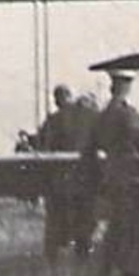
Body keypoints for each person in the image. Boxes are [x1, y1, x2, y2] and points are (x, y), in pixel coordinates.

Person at [83, 71, 139, 276]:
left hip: (111, 177)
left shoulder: (101, 116)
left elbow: (89, 149)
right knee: (132, 231)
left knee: (114, 229)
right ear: (126, 88)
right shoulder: (128, 115)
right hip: (133, 179)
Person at [38, 84, 98, 261]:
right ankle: (83, 254)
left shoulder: (53, 120)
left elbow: (44, 146)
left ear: (57, 100)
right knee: (84, 219)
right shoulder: (90, 117)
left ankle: (56, 257)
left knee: (58, 221)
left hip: (61, 180)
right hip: (85, 177)